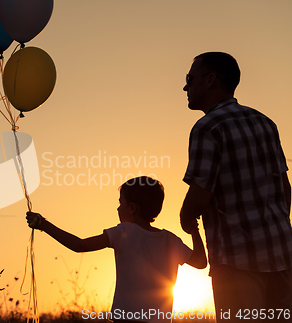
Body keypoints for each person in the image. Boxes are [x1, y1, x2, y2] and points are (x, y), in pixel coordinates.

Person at [180, 52, 292, 322]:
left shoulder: (207, 128)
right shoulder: (265, 122)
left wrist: (186, 216)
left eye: (189, 78)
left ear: (210, 80)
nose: (185, 86)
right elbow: (285, 188)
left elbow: (200, 194)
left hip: (237, 260)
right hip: (283, 254)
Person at [27, 176, 207, 323]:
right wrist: (194, 230)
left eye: (121, 203)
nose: (118, 208)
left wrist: (43, 224)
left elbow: (79, 245)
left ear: (132, 208)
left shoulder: (125, 231)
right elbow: (201, 262)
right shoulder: (171, 240)